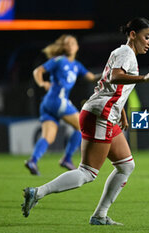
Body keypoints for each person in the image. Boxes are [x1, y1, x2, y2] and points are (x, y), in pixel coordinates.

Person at [21, 18, 149, 225]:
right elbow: (115, 77)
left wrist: (121, 112)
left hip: (104, 114)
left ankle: (100, 216)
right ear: (133, 34)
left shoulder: (123, 52)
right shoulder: (126, 53)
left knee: (126, 166)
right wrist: (144, 78)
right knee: (87, 172)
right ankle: (38, 192)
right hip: (101, 115)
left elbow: (112, 86)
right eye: (147, 37)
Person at [25, 34, 99, 175]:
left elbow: (92, 77)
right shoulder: (59, 61)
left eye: (73, 43)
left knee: (48, 137)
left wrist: (108, 74)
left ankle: (33, 161)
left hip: (48, 104)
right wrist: (42, 83)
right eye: (67, 43)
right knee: (82, 126)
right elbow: (38, 71)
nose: (70, 45)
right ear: (63, 47)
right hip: (57, 100)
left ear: (77, 47)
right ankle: (67, 158)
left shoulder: (77, 66)